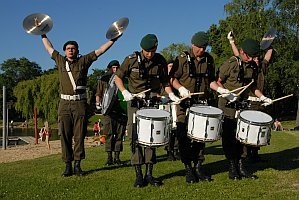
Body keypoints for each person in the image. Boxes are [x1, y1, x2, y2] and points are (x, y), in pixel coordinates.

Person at [40, 32, 121, 177]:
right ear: (65, 51)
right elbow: (49, 48)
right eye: (68, 48)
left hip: (80, 104)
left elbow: (101, 50)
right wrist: (42, 33)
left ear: (77, 51)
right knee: (64, 135)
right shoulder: (60, 60)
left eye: (73, 48)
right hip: (64, 104)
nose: (71, 50)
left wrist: (113, 39)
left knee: (79, 135)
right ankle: (67, 165)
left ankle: (78, 165)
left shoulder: (84, 61)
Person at [114, 34, 180, 187]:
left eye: (153, 50)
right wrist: (124, 91)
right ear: (141, 49)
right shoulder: (131, 60)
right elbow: (118, 77)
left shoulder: (160, 60)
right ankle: (138, 175)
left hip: (151, 102)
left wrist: (169, 94)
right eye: (147, 51)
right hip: (135, 103)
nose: (150, 54)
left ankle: (149, 173)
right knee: (135, 138)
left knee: (152, 137)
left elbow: (165, 81)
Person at [211, 38, 273, 180]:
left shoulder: (252, 65)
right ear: (241, 52)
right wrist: (225, 93)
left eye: (253, 56)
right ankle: (232, 167)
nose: (251, 59)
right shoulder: (231, 64)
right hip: (227, 105)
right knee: (229, 138)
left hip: (242, 105)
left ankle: (241, 166)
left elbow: (252, 86)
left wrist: (262, 97)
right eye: (249, 56)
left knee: (242, 138)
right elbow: (216, 81)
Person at [169, 31, 215, 183]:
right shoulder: (182, 59)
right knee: (183, 137)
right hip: (184, 104)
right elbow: (172, 79)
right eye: (198, 47)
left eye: (204, 47)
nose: (201, 50)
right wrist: (181, 88)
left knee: (200, 137)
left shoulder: (209, 60)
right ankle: (188, 167)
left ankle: (199, 166)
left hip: (201, 103)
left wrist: (220, 90)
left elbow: (212, 81)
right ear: (192, 44)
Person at [227, 31, 274, 162]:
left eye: (258, 58)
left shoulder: (261, 68)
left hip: (259, 101)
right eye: (254, 58)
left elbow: (268, 56)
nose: (256, 60)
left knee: (258, 128)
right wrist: (232, 42)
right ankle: (245, 154)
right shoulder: (247, 66)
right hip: (248, 101)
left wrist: (269, 44)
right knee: (248, 129)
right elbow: (238, 55)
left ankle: (254, 153)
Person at [95, 60, 127, 166]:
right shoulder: (104, 80)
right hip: (108, 111)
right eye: (113, 67)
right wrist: (98, 103)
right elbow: (98, 93)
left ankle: (117, 157)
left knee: (119, 134)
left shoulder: (124, 79)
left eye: (117, 67)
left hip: (121, 111)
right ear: (110, 68)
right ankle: (109, 158)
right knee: (109, 134)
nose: (115, 69)